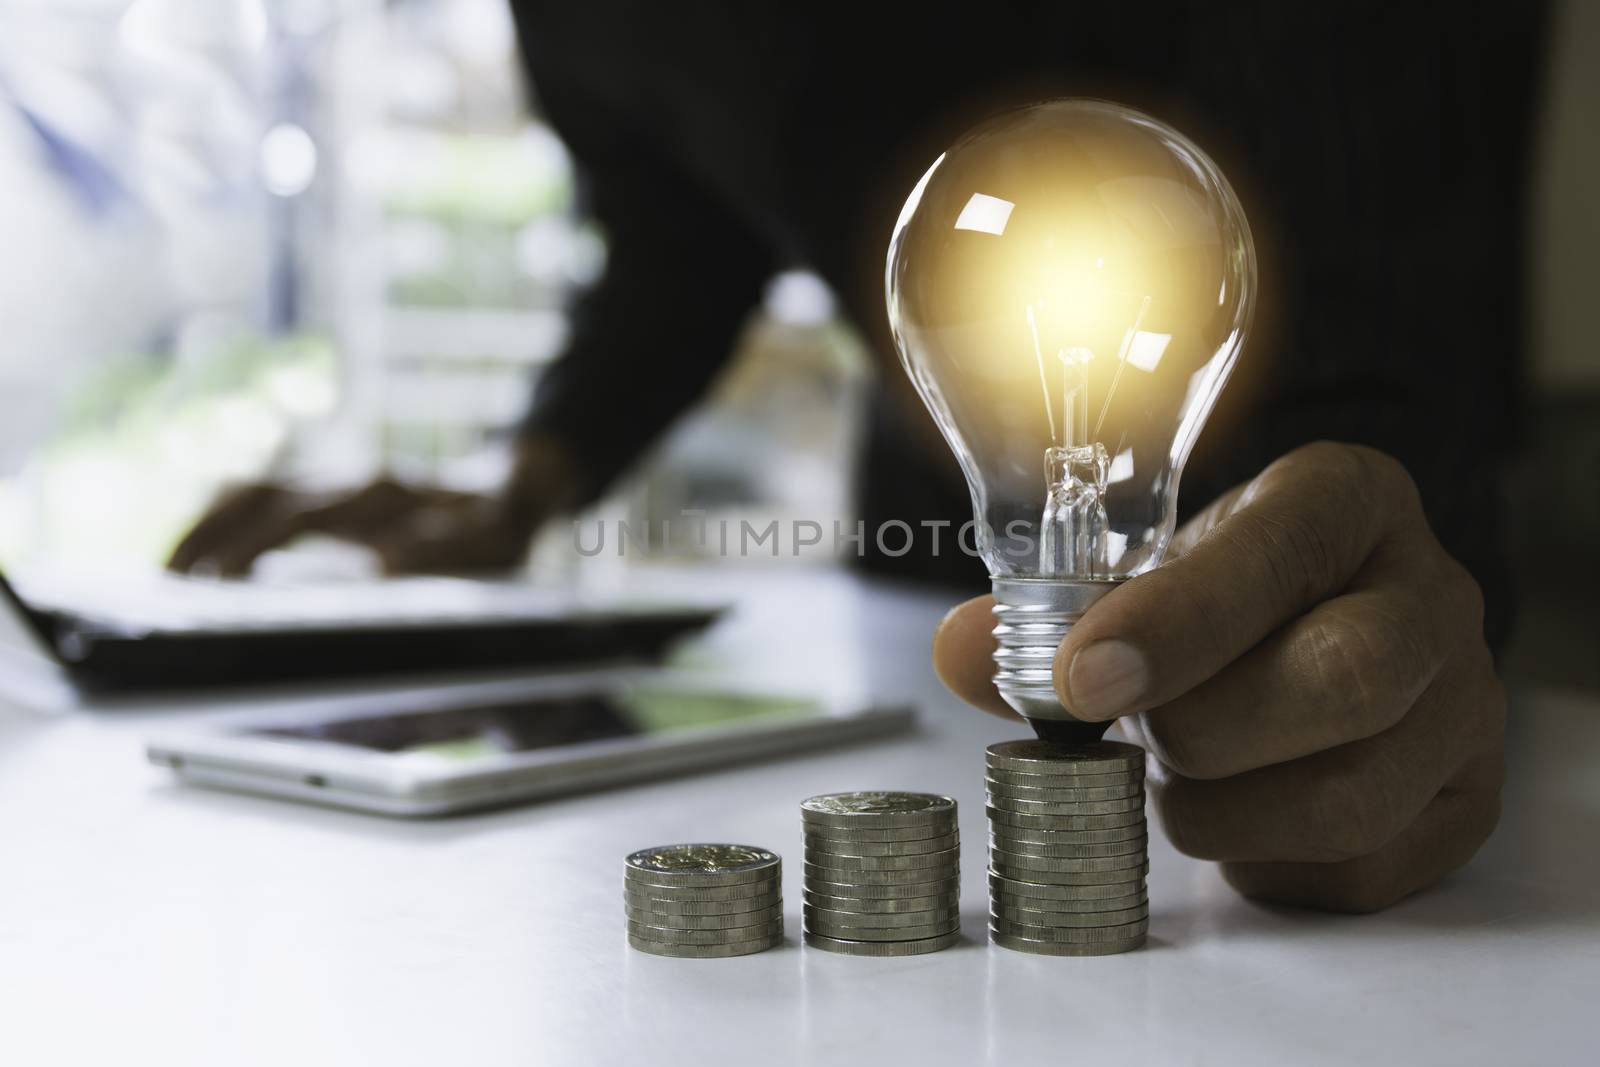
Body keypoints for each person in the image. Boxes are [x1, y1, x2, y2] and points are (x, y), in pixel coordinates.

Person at [170, 3, 1547, 912]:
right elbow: (674, 231)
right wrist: (527, 476)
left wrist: (1384, 582)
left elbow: (1385, 240)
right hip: (926, 534)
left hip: (1304, 508)